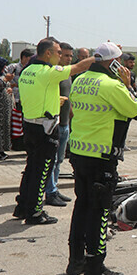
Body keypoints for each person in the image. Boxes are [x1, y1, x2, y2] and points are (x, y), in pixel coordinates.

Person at [66, 42, 137, 275]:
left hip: (79, 152)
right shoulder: (112, 86)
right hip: (101, 157)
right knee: (99, 211)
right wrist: (128, 85)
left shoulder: (80, 80)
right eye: (119, 62)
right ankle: (95, 268)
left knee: (81, 206)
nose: (121, 66)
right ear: (112, 63)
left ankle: (76, 261)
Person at [13, 38, 94, 224]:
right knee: (42, 171)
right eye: (58, 52)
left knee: (31, 168)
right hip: (46, 128)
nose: (60, 55)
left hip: (30, 124)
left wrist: (53, 101)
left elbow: (35, 94)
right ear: (48, 53)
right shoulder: (49, 72)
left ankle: (22, 206)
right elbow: (77, 68)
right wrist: (97, 58)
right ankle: (34, 212)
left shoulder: (28, 71)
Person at [45, 42, 75, 207]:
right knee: (52, 159)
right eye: (65, 55)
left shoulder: (67, 74)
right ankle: (49, 192)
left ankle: (53, 189)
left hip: (65, 123)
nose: (69, 59)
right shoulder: (53, 73)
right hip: (54, 124)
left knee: (59, 160)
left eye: (71, 56)